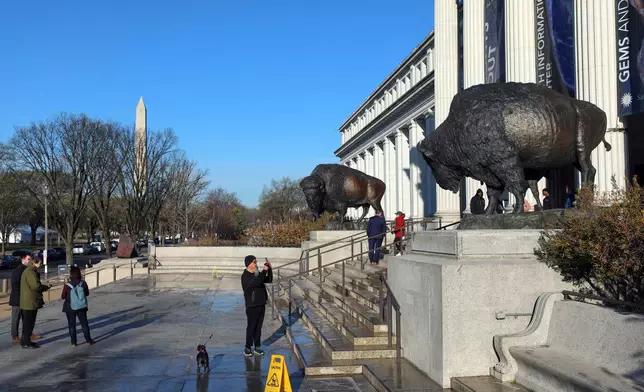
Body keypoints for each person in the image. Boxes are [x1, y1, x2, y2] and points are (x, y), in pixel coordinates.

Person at [241, 255, 272, 357]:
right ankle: (248, 347)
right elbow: (258, 281)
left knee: (258, 327)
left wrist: (269, 269)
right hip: (252, 305)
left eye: (256, 261)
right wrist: (264, 270)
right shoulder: (245, 276)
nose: (256, 264)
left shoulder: (257, 274)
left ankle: (257, 347)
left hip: (261, 304)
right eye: (254, 262)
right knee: (251, 327)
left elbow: (268, 280)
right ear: (248, 264)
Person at [61, 266, 96, 347]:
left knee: (71, 325)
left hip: (69, 307)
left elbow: (63, 296)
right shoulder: (83, 283)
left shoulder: (67, 285)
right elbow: (87, 294)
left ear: (71, 274)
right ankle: (89, 340)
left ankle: (73, 342)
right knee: (84, 324)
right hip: (81, 306)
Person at [20, 257, 50, 349]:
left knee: (28, 323)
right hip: (30, 302)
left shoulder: (30, 271)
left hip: (30, 301)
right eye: (39, 263)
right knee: (28, 323)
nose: (40, 265)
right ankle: (26, 342)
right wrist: (46, 287)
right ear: (34, 263)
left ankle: (25, 341)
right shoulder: (30, 272)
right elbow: (35, 286)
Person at [10, 254, 40, 344]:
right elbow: (15, 284)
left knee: (27, 318)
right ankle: (15, 336)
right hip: (18, 299)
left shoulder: (29, 270)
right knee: (16, 318)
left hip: (26, 298)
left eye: (30, 259)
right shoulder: (18, 271)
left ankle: (28, 334)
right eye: (28, 259)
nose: (30, 261)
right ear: (23, 259)